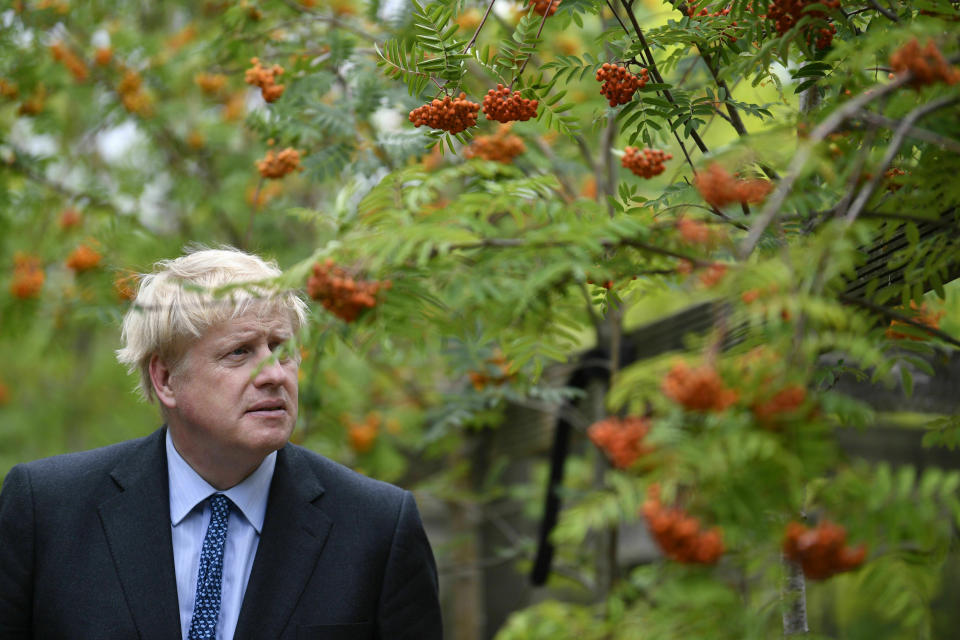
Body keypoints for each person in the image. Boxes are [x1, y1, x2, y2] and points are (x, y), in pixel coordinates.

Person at [0, 247, 443, 640]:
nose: (273, 374)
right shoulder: (47, 511)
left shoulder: (377, 528)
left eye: (280, 348)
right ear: (166, 378)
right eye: (240, 352)